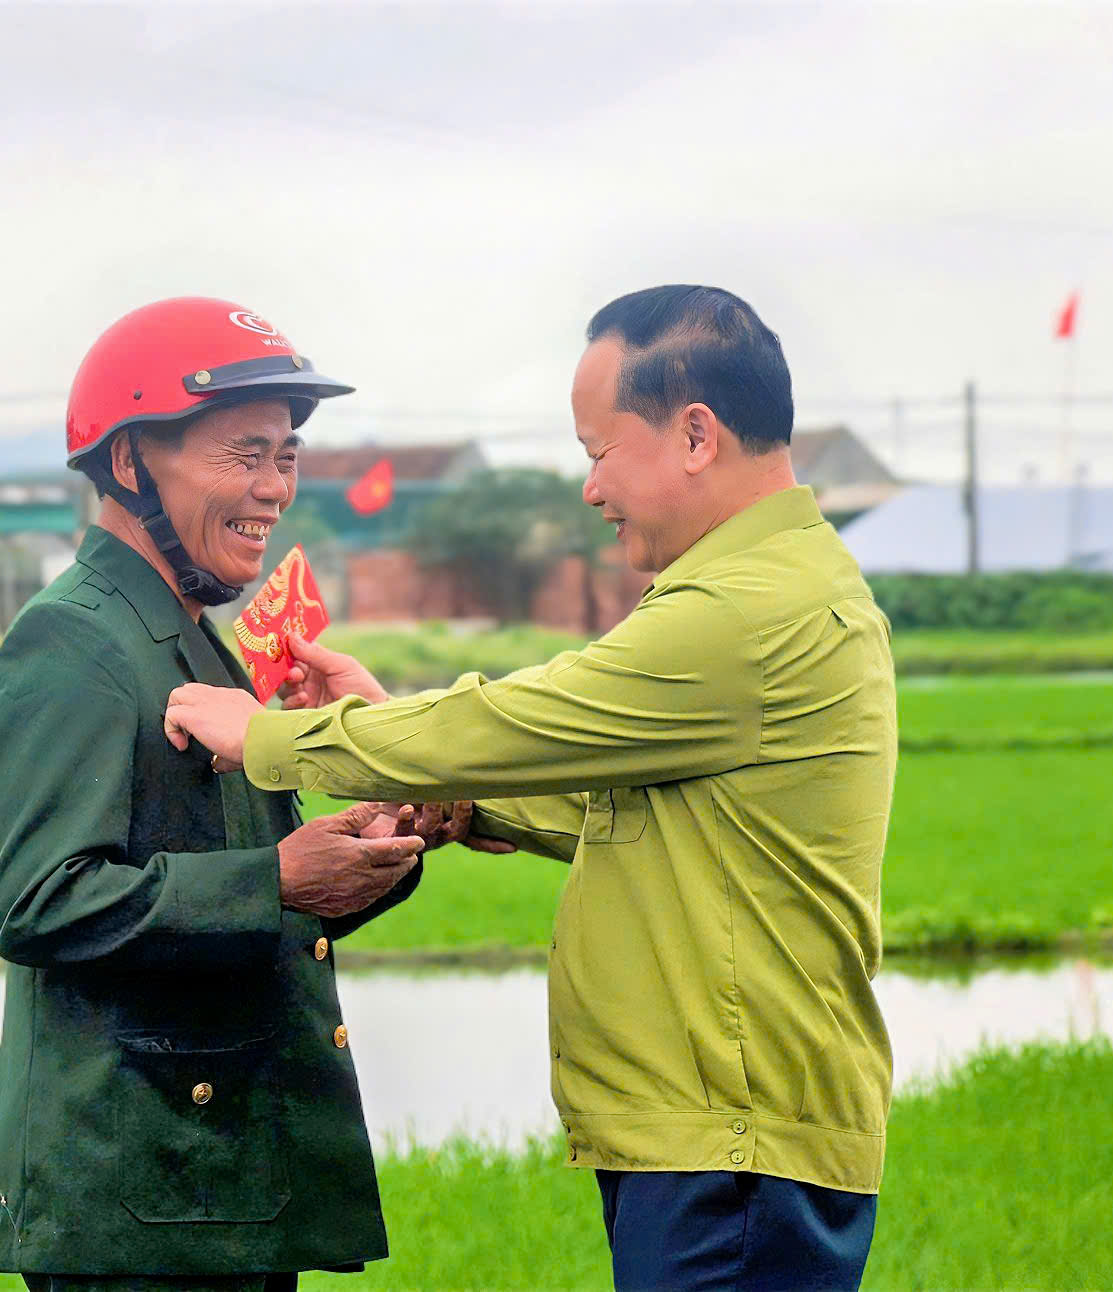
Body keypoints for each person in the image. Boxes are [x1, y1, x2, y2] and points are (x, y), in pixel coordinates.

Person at [164, 285, 898, 1291]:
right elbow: (625, 795)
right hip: (722, 1130)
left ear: (693, 434)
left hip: (732, 1136)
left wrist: (271, 735)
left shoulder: (747, 608)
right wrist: (451, 796)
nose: (590, 490)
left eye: (598, 452)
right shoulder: (771, 587)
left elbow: (520, 721)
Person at [0, 296, 459, 1292]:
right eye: (244, 453)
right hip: (137, 1196)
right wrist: (276, 875)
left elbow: (241, 892)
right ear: (128, 462)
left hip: (212, 1181)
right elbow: (34, 901)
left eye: (284, 455)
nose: (274, 488)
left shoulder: (189, 639)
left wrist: (364, 848)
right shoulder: (74, 641)